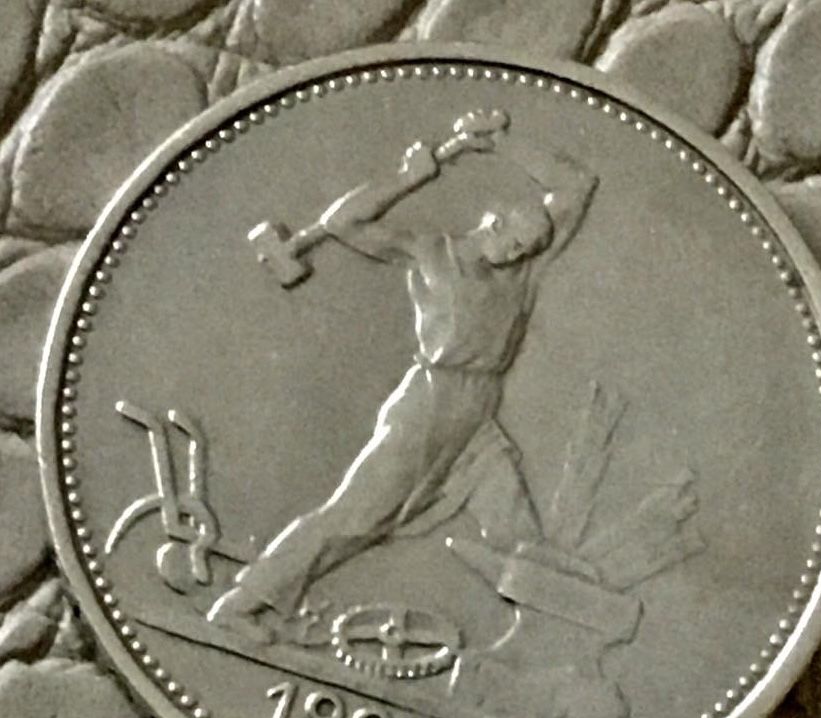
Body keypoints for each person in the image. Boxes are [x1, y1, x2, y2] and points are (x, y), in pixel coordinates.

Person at [207, 109, 599, 642]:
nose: (517, 255)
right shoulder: (431, 252)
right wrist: (407, 180)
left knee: (516, 528)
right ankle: (239, 606)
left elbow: (577, 184)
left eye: (527, 250)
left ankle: (550, 643)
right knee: (354, 518)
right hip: (430, 406)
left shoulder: (524, 271)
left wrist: (501, 142)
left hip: (477, 413)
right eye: (513, 243)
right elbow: (343, 222)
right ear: (493, 223)